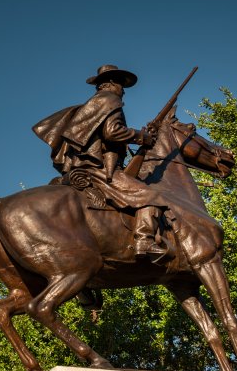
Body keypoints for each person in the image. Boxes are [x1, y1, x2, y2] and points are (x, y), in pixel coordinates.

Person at [33, 65, 167, 260]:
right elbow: (112, 132)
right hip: (100, 170)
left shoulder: (91, 105)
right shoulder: (111, 101)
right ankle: (144, 239)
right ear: (112, 83)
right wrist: (140, 136)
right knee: (151, 195)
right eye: (122, 86)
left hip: (83, 167)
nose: (123, 91)